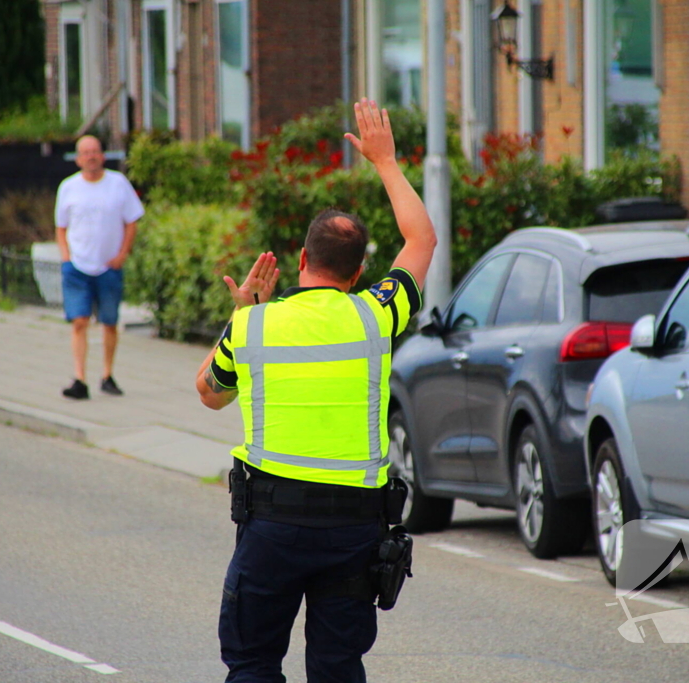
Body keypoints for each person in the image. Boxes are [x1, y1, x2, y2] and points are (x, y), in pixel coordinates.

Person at [195, 98, 437, 683]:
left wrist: (240, 312)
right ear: (358, 274)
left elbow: (209, 392)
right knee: (336, 667)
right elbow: (422, 239)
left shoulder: (253, 326)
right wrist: (385, 162)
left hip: (271, 527)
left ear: (303, 258)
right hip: (353, 531)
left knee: (253, 665)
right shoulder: (376, 315)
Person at [55, 134, 144, 400]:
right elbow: (61, 227)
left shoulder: (118, 184)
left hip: (108, 267)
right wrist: (66, 256)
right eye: (85, 152)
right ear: (78, 159)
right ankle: (79, 378)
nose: (91, 157)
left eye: (95, 151)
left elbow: (132, 221)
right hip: (77, 266)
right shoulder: (68, 187)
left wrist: (122, 254)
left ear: (103, 155)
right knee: (79, 321)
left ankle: (107, 375)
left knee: (109, 322)